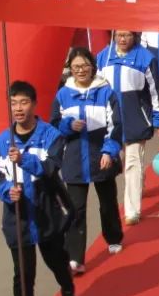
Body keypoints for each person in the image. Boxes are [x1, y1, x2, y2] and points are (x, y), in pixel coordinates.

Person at [0, 80, 76, 296]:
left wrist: (24, 160)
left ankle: (67, 287)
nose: (18, 108)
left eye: (24, 102)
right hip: (18, 217)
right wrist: (7, 191)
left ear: (35, 105)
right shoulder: (1, 142)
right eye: (13, 103)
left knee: (55, 259)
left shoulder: (51, 135)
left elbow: (51, 167)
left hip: (47, 210)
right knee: (23, 274)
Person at [51, 47, 124, 273]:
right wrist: (67, 126)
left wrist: (109, 151)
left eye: (84, 66)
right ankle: (75, 257)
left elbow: (116, 125)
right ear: (70, 69)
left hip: (100, 155)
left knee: (108, 202)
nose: (81, 70)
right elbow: (54, 125)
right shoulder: (62, 94)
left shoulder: (106, 92)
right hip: (74, 159)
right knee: (76, 209)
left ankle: (113, 237)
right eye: (76, 67)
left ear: (92, 67)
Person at [97, 31, 159, 226]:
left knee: (132, 162)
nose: (123, 39)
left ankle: (132, 210)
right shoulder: (103, 57)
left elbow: (156, 92)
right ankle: (140, 181)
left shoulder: (146, 58)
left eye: (127, 35)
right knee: (119, 160)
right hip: (110, 122)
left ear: (134, 36)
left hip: (136, 119)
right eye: (119, 35)